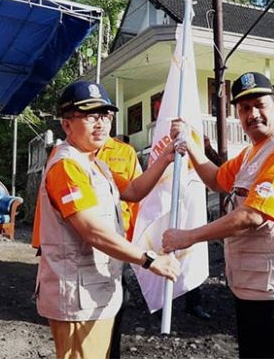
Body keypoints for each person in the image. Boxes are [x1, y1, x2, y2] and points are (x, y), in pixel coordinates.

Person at [163, 72, 274, 359]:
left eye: (259, 105)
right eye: (245, 108)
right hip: (251, 285)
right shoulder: (250, 154)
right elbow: (217, 179)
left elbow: (252, 216)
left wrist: (189, 237)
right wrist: (191, 145)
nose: (253, 114)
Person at [35, 80, 180, 359]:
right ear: (66, 124)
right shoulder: (66, 166)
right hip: (78, 296)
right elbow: (92, 231)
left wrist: (165, 158)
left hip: (94, 289)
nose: (100, 123)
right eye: (90, 115)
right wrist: (150, 260)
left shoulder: (94, 162)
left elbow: (133, 191)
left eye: (105, 115)